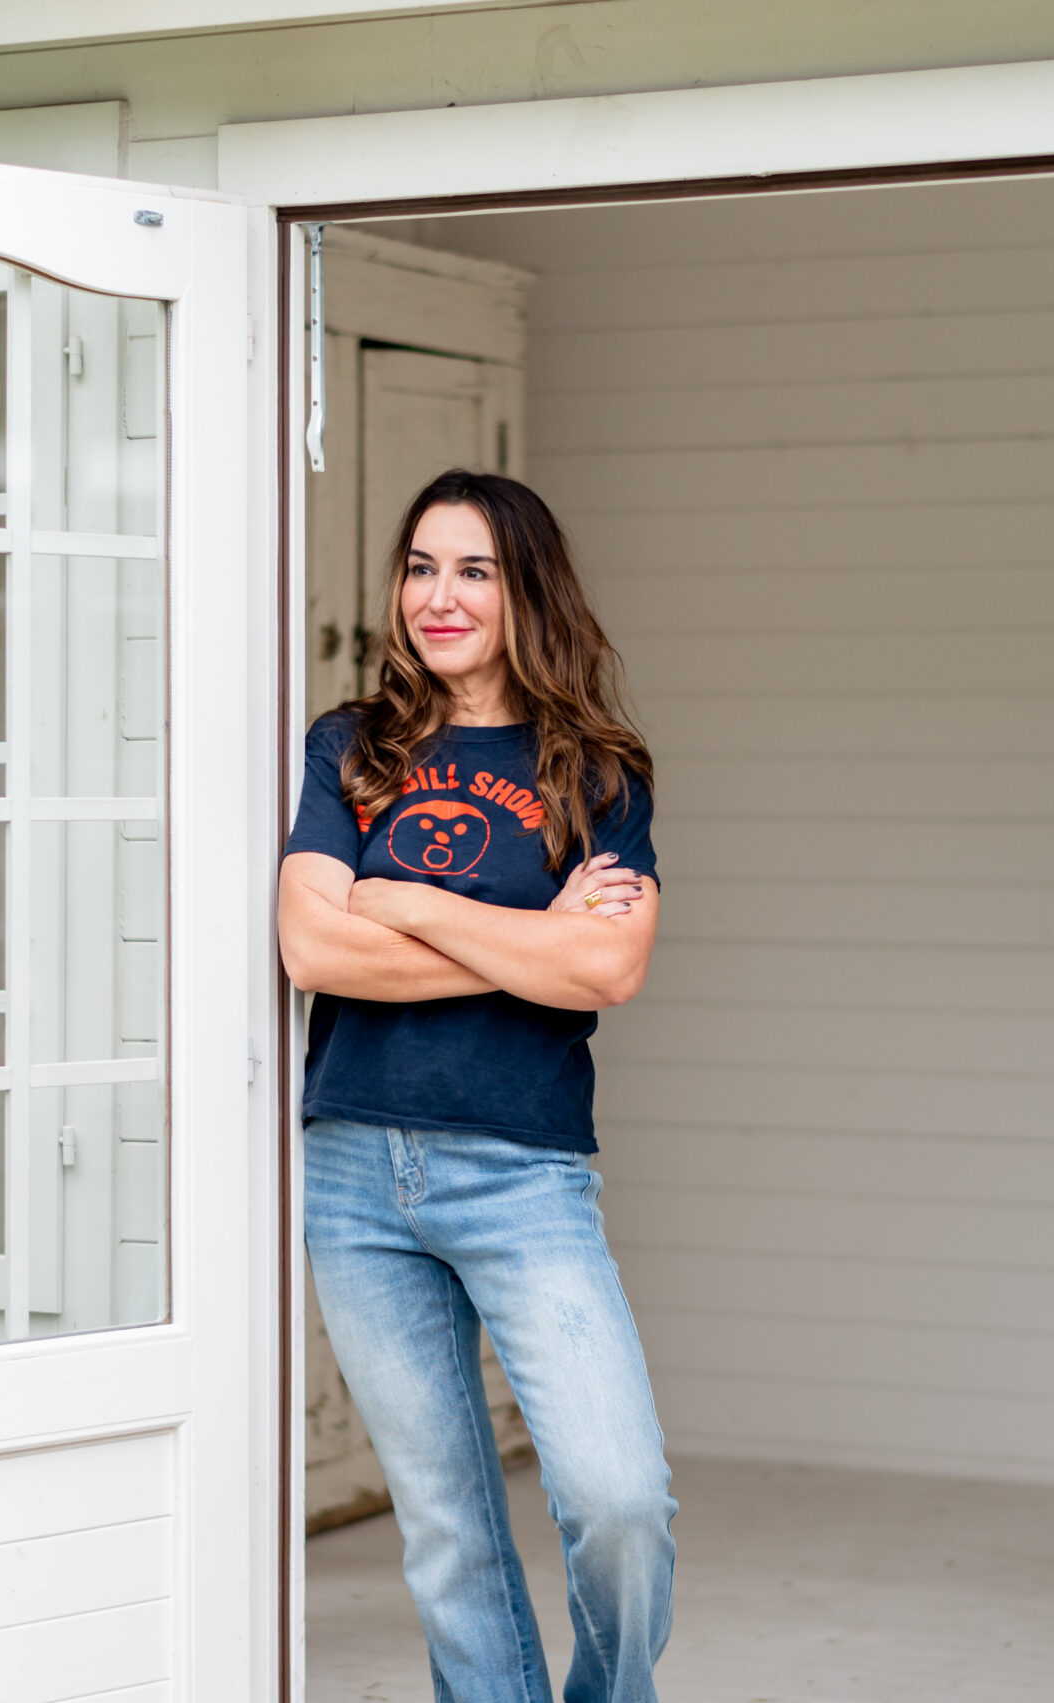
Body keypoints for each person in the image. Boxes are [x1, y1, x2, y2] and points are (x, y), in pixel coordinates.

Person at [280, 469, 675, 1703]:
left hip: (521, 1172)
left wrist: (403, 899)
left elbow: (604, 963)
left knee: (619, 1499)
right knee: (448, 1528)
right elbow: (311, 948)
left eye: (472, 571)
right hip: (353, 1172)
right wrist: (522, 944)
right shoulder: (350, 746)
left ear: (526, 590)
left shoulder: (597, 773)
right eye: (418, 566)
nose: (436, 596)